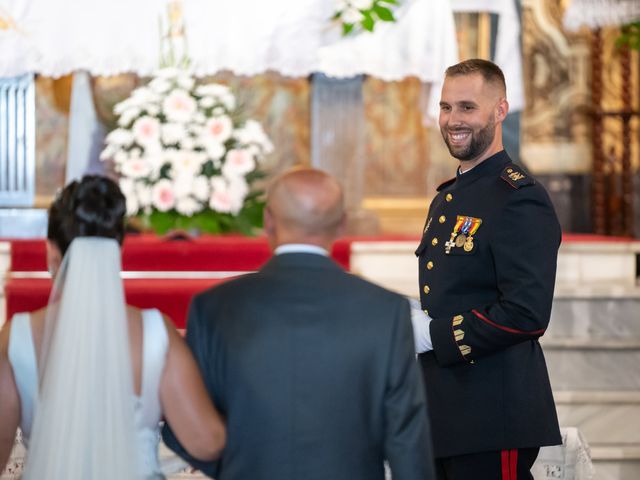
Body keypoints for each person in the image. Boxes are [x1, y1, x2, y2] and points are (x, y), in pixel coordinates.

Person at [163, 167, 435, 480]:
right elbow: (407, 439)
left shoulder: (214, 307)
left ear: (268, 221)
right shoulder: (386, 311)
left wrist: (232, 465)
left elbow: (180, 424)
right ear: (341, 225)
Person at [0, 175, 226, 479]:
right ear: (117, 252)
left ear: (52, 254)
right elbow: (206, 442)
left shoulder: (17, 337)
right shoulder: (156, 332)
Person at [410, 59, 562, 479]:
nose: (452, 120)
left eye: (466, 107)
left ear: (499, 111)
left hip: (493, 414)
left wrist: (430, 333)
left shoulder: (518, 198)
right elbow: (458, 291)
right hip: (448, 410)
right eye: (445, 107)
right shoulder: (449, 197)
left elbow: (526, 313)